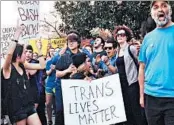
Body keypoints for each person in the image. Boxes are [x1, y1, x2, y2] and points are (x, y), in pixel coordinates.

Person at [1, 24, 45, 125]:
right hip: (16, 108)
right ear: (17, 55)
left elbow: (42, 66)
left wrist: (39, 49)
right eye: (25, 52)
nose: (28, 54)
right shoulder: (7, 69)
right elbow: (9, 54)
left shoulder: (23, 65)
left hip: (28, 104)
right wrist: (17, 34)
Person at [138, 1, 174, 125]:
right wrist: (142, 95)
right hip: (151, 98)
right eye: (156, 7)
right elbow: (142, 68)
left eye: (164, 5)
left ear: (170, 10)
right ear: (152, 13)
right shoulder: (148, 38)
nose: (160, 9)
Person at [113, 25, 145, 125]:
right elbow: (117, 69)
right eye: (118, 35)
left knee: (136, 111)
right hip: (122, 85)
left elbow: (141, 64)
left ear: (126, 36)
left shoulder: (131, 48)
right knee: (127, 111)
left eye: (122, 34)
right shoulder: (117, 51)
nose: (119, 36)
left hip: (132, 84)